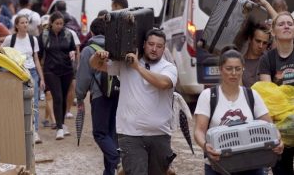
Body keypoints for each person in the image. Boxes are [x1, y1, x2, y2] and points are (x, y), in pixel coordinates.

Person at [90, 29, 177, 174]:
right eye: (151, 44)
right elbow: (96, 65)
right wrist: (97, 56)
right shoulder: (125, 63)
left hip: (160, 134)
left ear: (164, 48)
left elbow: (163, 84)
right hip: (130, 134)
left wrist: (137, 67)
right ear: (144, 44)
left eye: (159, 46)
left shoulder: (169, 68)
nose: (154, 49)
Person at [194, 46, 284, 175]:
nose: (233, 73)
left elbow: (270, 126)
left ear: (243, 69)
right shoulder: (208, 96)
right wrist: (205, 146)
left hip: (252, 165)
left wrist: (279, 140)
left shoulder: (252, 95)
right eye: (229, 69)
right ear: (220, 69)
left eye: (238, 69)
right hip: (219, 165)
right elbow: (199, 130)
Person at [76, 17, 120, 175]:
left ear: (92, 32)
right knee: (112, 134)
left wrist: (79, 96)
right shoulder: (115, 46)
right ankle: (110, 171)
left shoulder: (89, 50)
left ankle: (117, 161)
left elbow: (83, 77)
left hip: (99, 95)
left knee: (100, 134)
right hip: (118, 94)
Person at [258, 11, 294, 175]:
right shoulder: (267, 59)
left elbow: (275, 94)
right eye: (281, 24)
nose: (286, 26)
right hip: (281, 128)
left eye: (290, 23)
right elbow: (267, 96)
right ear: (273, 31)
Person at [1, 15, 45, 144]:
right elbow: (2, 52)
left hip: (31, 72)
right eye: (22, 22)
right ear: (16, 25)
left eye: (27, 22)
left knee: (34, 102)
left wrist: (41, 78)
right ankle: (19, 130)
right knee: (16, 101)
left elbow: (36, 59)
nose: (25, 25)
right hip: (16, 72)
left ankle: (34, 131)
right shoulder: (10, 39)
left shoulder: (33, 39)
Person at [38, 11, 76, 140]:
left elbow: (72, 49)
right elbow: (39, 55)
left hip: (66, 70)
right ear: (51, 23)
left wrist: (72, 55)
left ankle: (63, 124)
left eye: (61, 23)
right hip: (50, 70)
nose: (60, 26)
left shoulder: (68, 34)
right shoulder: (43, 35)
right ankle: (59, 127)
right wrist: (41, 74)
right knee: (57, 97)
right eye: (57, 23)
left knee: (64, 97)